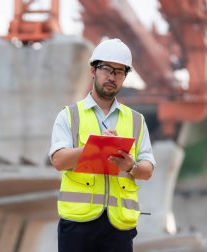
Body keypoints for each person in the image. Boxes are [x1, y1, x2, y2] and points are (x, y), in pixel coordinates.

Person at [49, 38, 156, 252]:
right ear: (93, 70)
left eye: (119, 71)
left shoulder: (136, 120)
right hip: (78, 224)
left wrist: (130, 166)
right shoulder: (69, 115)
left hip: (119, 226)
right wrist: (94, 146)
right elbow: (59, 161)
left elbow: (147, 170)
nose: (112, 76)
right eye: (106, 68)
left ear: (125, 77)